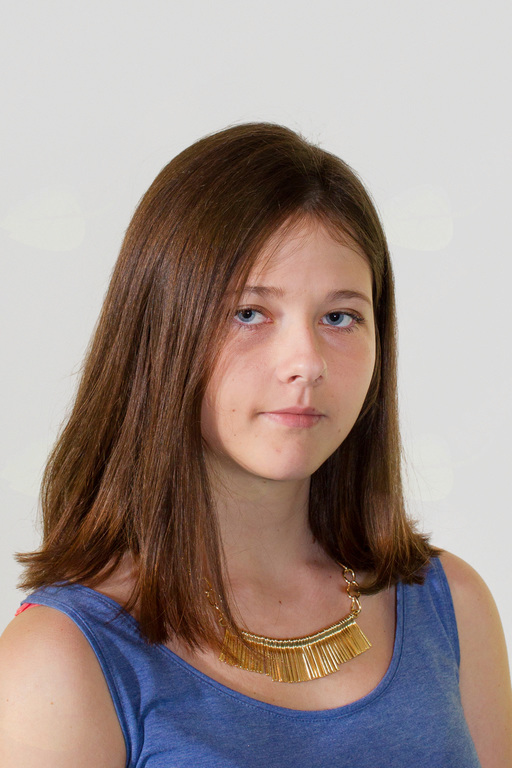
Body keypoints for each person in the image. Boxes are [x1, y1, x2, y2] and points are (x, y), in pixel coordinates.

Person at [0, 123, 510, 768]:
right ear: (159, 333)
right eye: (249, 313)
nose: (306, 362)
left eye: (340, 317)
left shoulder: (452, 605)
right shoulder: (61, 659)